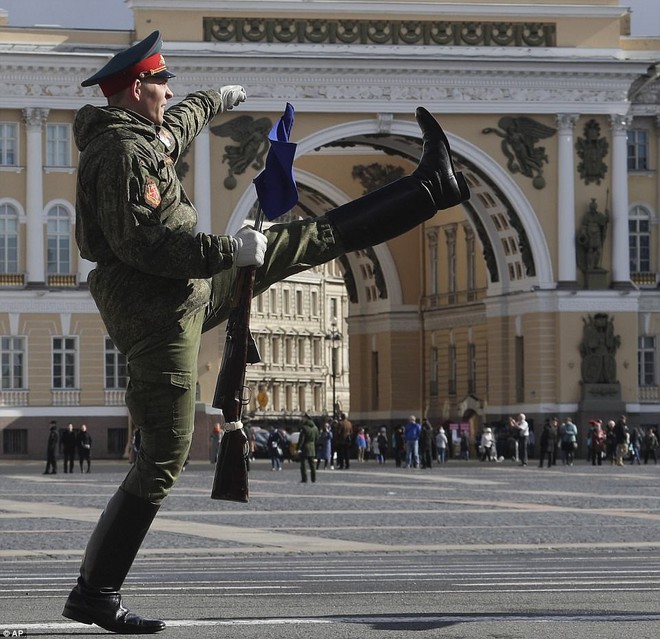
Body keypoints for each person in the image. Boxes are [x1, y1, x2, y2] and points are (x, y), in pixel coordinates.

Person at [61, 30, 469, 634]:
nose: (171, 89)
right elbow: (142, 242)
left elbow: (185, 120)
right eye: (163, 80)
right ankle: (94, 594)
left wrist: (219, 98)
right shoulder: (120, 154)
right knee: (163, 460)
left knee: (308, 239)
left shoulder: (147, 133)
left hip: (189, 290)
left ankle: (432, 186)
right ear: (137, 88)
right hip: (158, 314)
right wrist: (228, 247)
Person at [297, 419, 319, 483]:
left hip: (305, 448)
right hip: (312, 447)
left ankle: (304, 479)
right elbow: (317, 438)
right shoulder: (315, 428)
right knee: (312, 465)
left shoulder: (304, 428)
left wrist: (298, 448)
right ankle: (313, 479)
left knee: (303, 465)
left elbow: (302, 439)